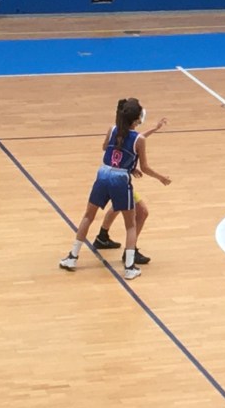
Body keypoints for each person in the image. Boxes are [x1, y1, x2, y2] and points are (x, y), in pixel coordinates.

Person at [59, 98, 171, 280]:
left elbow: (106, 148)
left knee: (88, 216)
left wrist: (125, 160)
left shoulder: (112, 129)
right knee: (131, 225)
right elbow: (144, 167)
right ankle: (129, 268)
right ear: (137, 119)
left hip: (103, 174)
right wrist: (161, 178)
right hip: (119, 179)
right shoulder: (140, 140)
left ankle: (72, 257)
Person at [92, 112, 168, 265]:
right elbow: (140, 156)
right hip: (119, 180)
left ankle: (102, 237)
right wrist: (161, 178)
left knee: (117, 206)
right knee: (142, 212)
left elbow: (134, 140)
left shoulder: (117, 130)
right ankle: (130, 252)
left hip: (108, 177)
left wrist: (154, 129)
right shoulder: (122, 133)